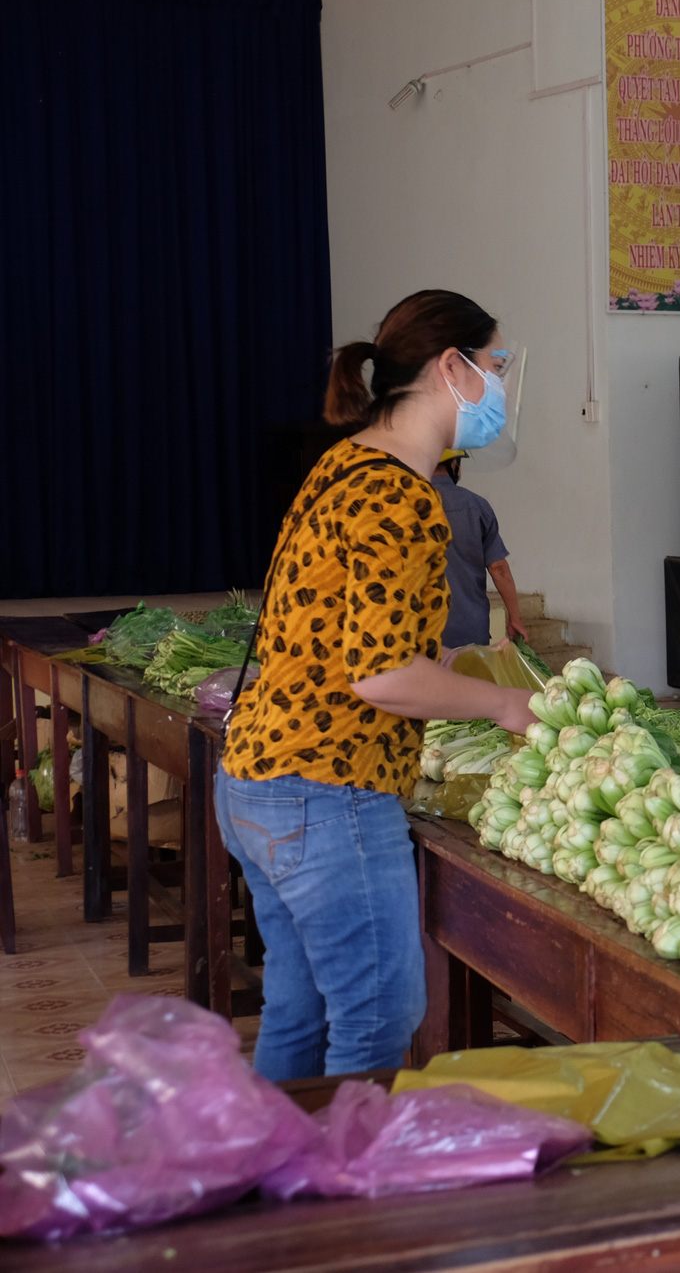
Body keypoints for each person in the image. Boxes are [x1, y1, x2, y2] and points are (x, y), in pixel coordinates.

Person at [218, 289, 536, 1081]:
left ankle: (277, 1187)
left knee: (302, 1007)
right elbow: (382, 675)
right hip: (330, 788)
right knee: (379, 1014)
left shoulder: (345, 465)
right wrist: (504, 702)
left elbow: (353, 638)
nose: (500, 385)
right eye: (495, 365)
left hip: (259, 779)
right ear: (450, 368)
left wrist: (455, 668)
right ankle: (348, 1197)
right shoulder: (401, 494)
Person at [431, 449, 528, 649]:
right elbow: (499, 569)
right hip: (471, 630)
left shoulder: (405, 504)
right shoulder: (477, 506)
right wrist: (515, 618)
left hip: (424, 631)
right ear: (454, 465)